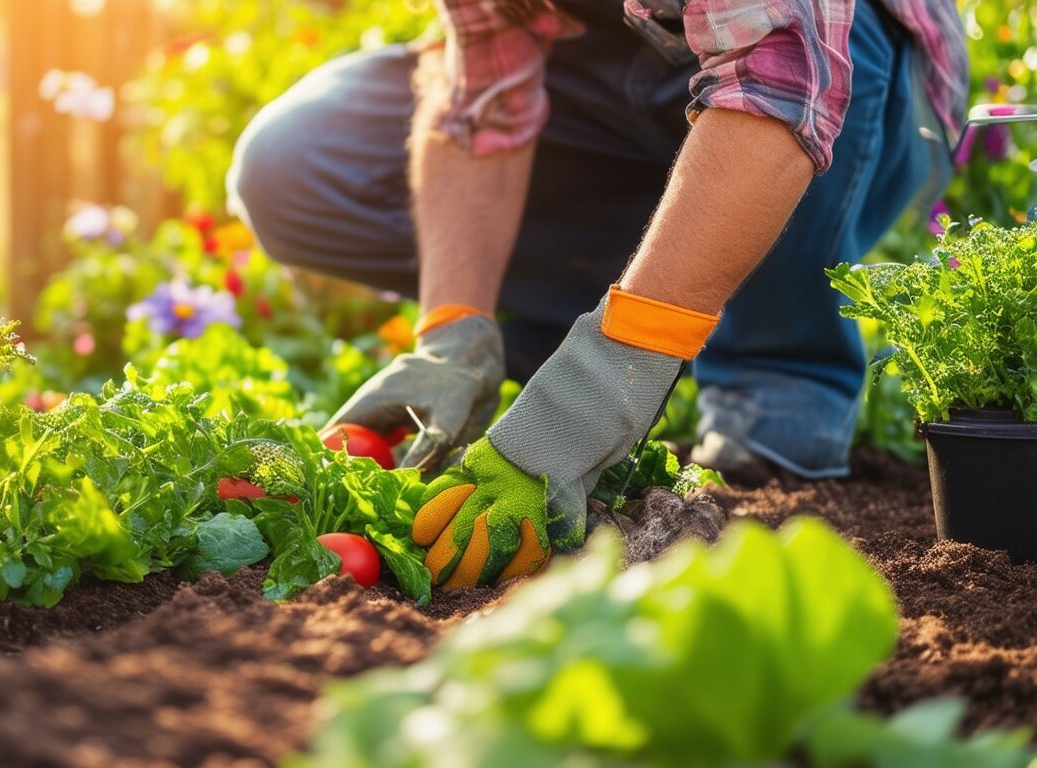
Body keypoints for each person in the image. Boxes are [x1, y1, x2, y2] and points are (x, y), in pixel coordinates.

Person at [227, 0, 967, 589]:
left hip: (844, 73)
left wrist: (601, 386)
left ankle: (775, 366)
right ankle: (636, 295)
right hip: (612, 84)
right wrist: (453, 328)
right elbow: (482, 100)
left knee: (833, 42)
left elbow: (784, 81)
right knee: (295, 162)